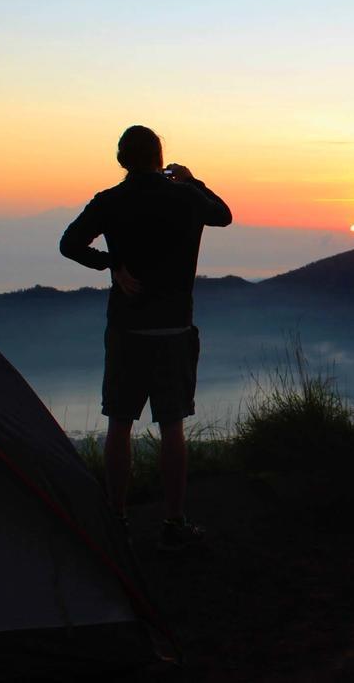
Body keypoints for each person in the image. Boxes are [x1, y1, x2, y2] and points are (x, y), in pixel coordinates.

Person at [60, 125, 232, 550]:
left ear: (122, 160)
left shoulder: (110, 201)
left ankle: (117, 519)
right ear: (161, 158)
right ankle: (174, 521)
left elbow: (70, 244)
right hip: (175, 327)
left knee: (119, 424)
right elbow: (224, 214)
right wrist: (193, 180)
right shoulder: (187, 197)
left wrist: (111, 264)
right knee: (172, 427)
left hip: (127, 328)